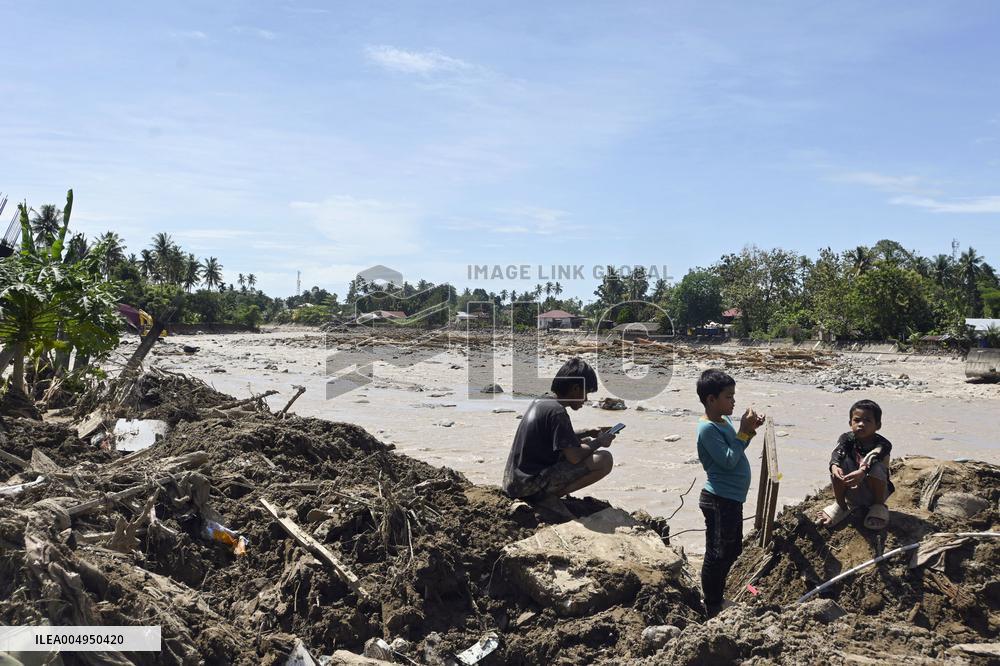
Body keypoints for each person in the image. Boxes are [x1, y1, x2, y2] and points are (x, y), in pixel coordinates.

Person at [501, 357, 617, 518]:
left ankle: (548, 494)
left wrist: (589, 432)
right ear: (576, 389)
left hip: (514, 482)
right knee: (604, 459)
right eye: (586, 393)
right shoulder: (558, 412)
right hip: (528, 487)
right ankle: (548, 498)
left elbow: (556, 437)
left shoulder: (543, 401)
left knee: (584, 442)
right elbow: (575, 457)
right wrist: (600, 442)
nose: (585, 400)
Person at [695, 368, 764, 618]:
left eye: (734, 396)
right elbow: (728, 461)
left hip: (731, 499)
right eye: (728, 397)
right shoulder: (707, 428)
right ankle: (712, 603)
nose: (733, 401)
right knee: (716, 553)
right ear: (711, 399)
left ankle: (719, 595)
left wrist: (748, 430)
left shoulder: (724, 422)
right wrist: (744, 431)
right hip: (717, 499)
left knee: (732, 551)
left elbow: (738, 448)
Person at [816, 399, 894, 530]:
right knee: (839, 464)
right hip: (851, 491)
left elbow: (873, 457)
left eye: (867, 420)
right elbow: (837, 452)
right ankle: (841, 505)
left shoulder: (883, 444)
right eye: (857, 420)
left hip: (874, 492)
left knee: (877, 467)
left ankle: (878, 507)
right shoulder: (847, 439)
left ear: (878, 425)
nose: (861, 424)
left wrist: (862, 471)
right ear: (850, 423)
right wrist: (834, 467)